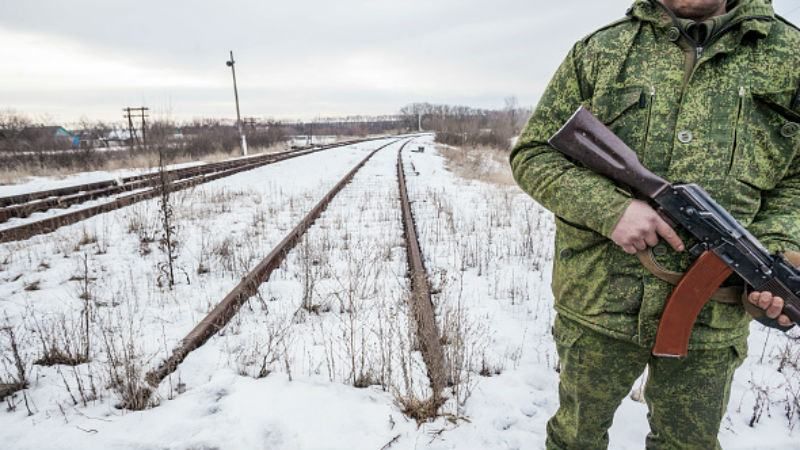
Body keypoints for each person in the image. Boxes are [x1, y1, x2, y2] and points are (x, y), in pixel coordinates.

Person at [509, 0, 800, 448]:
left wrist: (778, 251)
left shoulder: (790, 56)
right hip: (598, 303)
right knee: (575, 439)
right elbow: (534, 154)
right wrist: (611, 210)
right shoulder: (602, 50)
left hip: (712, 321)